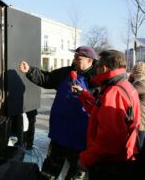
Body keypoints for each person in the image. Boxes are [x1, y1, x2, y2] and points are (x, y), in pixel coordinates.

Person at [19, 46, 98, 180]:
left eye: (78, 59)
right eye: (74, 57)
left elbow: (99, 108)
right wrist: (30, 71)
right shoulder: (66, 72)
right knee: (48, 173)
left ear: (90, 61)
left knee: (75, 175)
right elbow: (47, 78)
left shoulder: (96, 80)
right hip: (59, 133)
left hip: (81, 139)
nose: (74, 61)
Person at [71, 50, 141, 179]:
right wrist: (83, 94)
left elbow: (109, 139)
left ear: (103, 68)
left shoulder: (113, 92)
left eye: (97, 67)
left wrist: (86, 159)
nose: (95, 69)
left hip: (111, 164)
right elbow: (100, 112)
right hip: (122, 159)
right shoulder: (125, 86)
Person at [129, 62, 145, 165]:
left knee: (139, 149)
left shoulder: (140, 84)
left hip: (140, 123)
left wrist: (129, 81)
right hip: (142, 121)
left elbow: (127, 93)